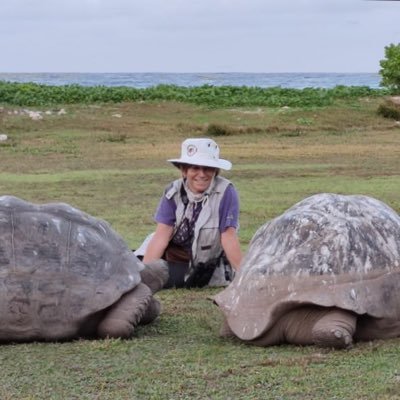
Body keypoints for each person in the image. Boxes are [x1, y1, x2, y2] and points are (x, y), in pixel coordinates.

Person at [136, 137, 242, 288]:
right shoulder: (172, 191)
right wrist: (146, 274)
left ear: (215, 171)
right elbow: (161, 237)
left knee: (150, 276)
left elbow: (228, 237)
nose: (202, 174)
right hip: (171, 256)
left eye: (208, 168)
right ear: (184, 170)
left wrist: (244, 277)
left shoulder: (227, 192)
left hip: (203, 265)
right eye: (195, 168)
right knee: (129, 266)